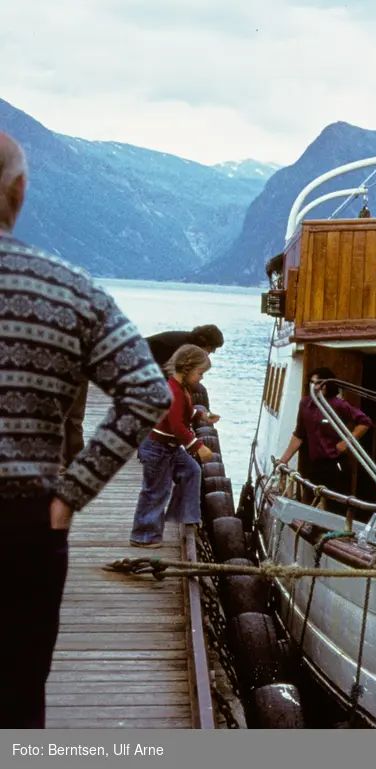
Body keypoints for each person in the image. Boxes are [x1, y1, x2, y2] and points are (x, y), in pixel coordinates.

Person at [0, 130, 173, 728]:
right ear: (18, 192)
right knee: (17, 691)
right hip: (22, 525)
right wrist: (72, 491)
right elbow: (149, 390)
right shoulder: (69, 287)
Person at [61, 323, 223, 468]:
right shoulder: (184, 348)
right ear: (205, 343)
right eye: (212, 348)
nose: (212, 352)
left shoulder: (185, 342)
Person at [129, 345, 218, 548]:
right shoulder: (174, 392)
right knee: (155, 491)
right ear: (187, 370)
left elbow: (185, 414)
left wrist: (202, 415)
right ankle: (143, 535)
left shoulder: (181, 389)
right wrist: (198, 447)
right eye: (200, 373)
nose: (201, 378)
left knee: (191, 471)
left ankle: (185, 515)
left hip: (169, 447)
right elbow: (177, 426)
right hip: (157, 447)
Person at [278, 367, 373, 519]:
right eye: (313, 383)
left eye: (320, 383)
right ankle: (312, 529)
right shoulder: (305, 404)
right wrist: (283, 461)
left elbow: (365, 422)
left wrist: (347, 442)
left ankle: (337, 533)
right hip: (315, 464)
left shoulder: (338, 405)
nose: (316, 387)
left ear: (328, 384)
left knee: (337, 506)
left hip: (335, 465)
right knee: (312, 500)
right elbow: (299, 435)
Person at [144, 324, 224, 409]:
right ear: (205, 342)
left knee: (199, 389)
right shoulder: (182, 347)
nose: (214, 351)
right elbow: (173, 372)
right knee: (198, 389)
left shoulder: (190, 344)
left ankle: (205, 416)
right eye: (212, 347)